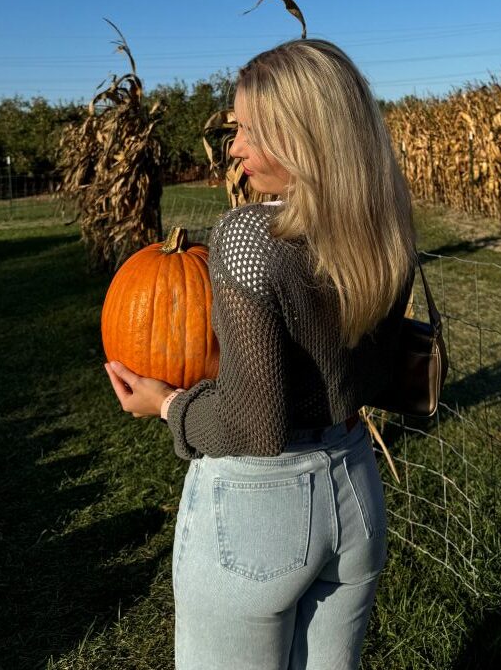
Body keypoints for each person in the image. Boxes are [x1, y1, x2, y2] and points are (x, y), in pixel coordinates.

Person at [105, 38, 416, 669]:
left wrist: (167, 406)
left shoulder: (248, 237)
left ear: (302, 135)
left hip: (259, 510)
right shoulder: (384, 224)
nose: (235, 148)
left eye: (250, 130)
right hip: (355, 488)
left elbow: (254, 424)